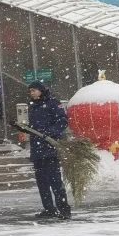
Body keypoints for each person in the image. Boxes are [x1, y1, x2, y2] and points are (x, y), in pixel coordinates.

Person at [26, 81, 72, 220]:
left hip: (49, 149)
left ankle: (64, 209)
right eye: (30, 91)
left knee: (55, 181)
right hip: (37, 150)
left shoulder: (53, 103)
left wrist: (49, 133)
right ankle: (49, 209)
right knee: (42, 182)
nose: (31, 93)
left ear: (41, 90)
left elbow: (62, 121)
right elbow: (34, 128)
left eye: (34, 90)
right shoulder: (33, 106)